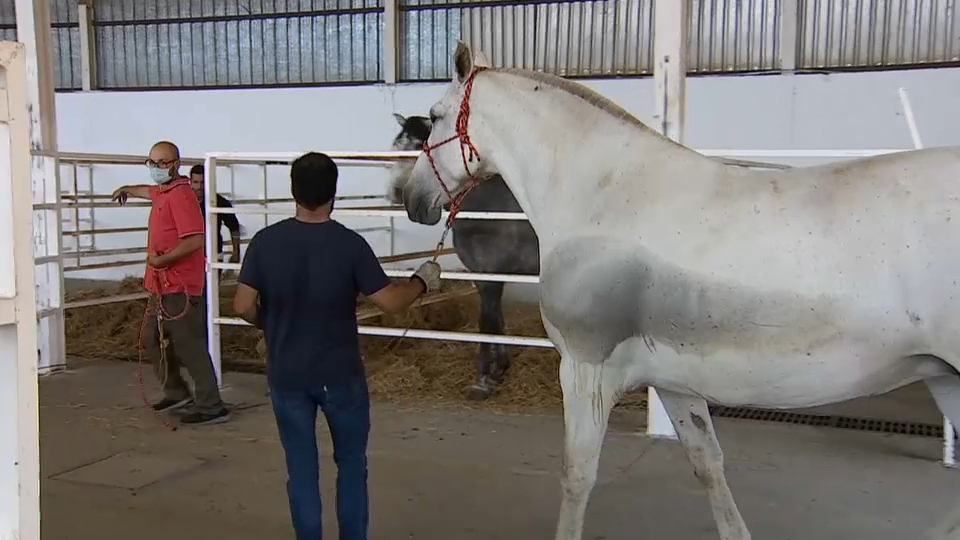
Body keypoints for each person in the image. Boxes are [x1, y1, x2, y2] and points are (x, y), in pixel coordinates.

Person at [232, 151, 441, 540]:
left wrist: (271, 323)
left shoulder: (264, 242)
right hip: (340, 375)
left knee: (301, 468)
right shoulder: (350, 245)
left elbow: (242, 305)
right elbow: (392, 301)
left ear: (293, 191)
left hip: (287, 374)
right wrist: (423, 281)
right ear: (335, 193)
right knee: (351, 465)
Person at [111, 141, 231, 426]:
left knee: (189, 344)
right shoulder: (164, 191)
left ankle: (210, 403)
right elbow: (149, 191)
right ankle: (176, 391)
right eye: (152, 163)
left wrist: (164, 261)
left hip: (179, 284)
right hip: (160, 284)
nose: (156, 169)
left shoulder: (181, 196)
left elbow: (195, 239)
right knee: (151, 339)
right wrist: (128, 189)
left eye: (162, 163)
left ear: (176, 165)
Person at [189, 164, 242, 264]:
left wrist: (236, 253)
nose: (199, 187)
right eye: (196, 182)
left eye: (203, 182)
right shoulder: (183, 201)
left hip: (214, 253)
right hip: (188, 255)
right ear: (190, 182)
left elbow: (234, 227)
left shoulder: (219, 201)